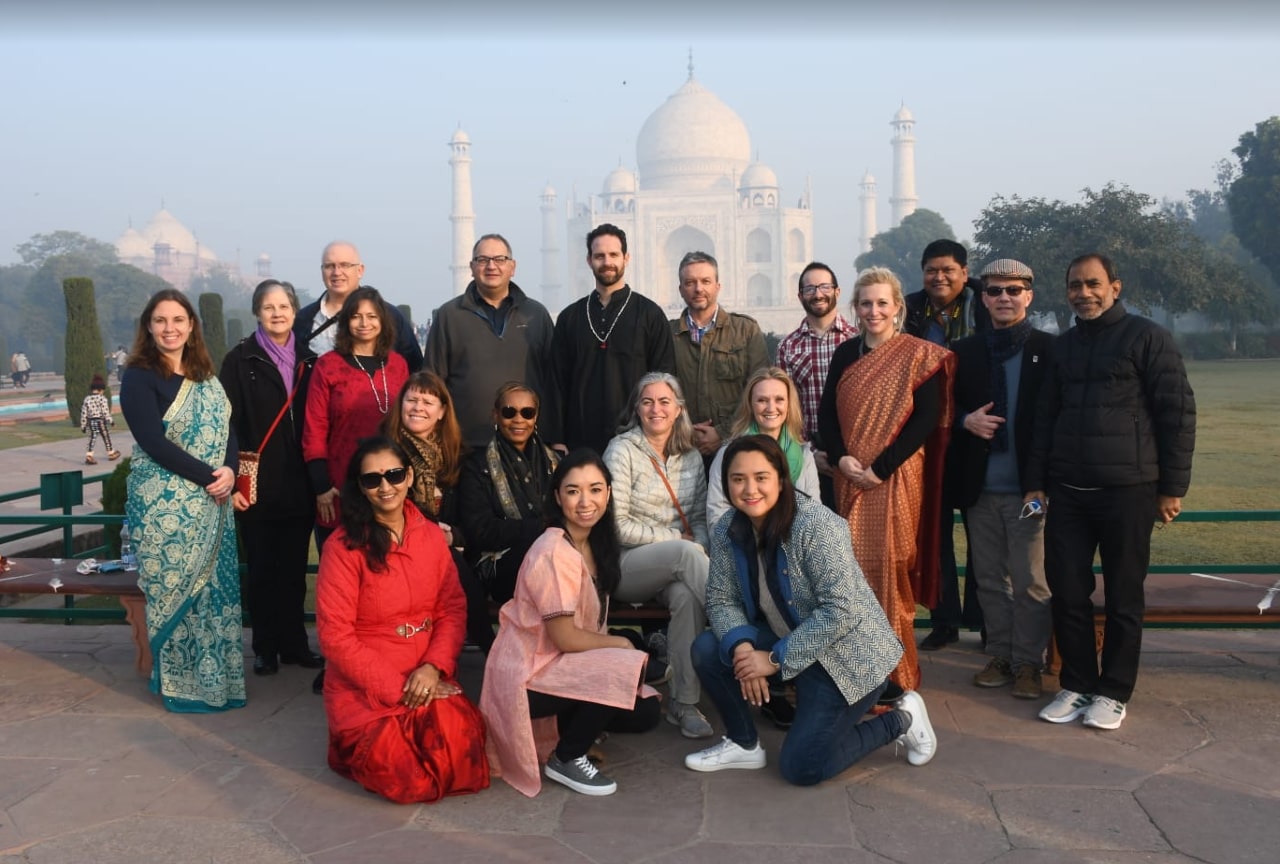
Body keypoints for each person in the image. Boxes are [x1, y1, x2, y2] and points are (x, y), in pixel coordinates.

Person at [684, 435, 938, 782]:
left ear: (780, 478)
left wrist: (772, 661)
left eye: (761, 477)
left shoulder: (816, 525)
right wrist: (744, 651)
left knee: (803, 767)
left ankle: (902, 719)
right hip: (784, 639)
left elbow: (841, 611)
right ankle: (743, 744)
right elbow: (720, 599)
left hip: (845, 656)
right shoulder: (730, 528)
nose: (749, 489)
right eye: (738, 479)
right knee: (709, 648)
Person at [1027, 253, 1195, 731]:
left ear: (1115, 287)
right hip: (1068, 492)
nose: (1085, 293)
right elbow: (1045, 420)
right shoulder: (1064, 348)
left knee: (1123, 595)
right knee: (1068, 591)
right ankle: (1077, 684)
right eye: (1076, 285)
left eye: (1093, 284)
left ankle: (1114, 691)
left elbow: (1177, 415)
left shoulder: (1147, 338)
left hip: (1129, 490)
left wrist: (1171, 488)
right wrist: (1035, 484)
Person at [316, 436, 489, 803]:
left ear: (409, 477)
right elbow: (335, 638)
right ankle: (349, 746)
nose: (385, 487)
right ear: (360, 488)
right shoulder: (343, 547)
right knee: (409, 782)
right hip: (366, 690)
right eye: (372, 479)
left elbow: (452, 608)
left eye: (394, 475)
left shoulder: (429, 535)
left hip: (426, 676)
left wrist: (433, 668)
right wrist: (400, 690)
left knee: (465, 759)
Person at [481, 449, 661, 797]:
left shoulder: (596, 543)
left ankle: (581, 721)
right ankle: (567, 756)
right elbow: (564, 637)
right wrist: (622, 648)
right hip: (528, 674)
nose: (585, 501)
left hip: (560, 665)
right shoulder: (553, 551)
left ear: (608, 493)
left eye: (595, 489)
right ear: (557, 497)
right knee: (623, 666)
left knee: (646, 712)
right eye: (573, 490)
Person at [817, 267, 955, 696]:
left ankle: (897, 676)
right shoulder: (845, 355)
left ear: (898, 307)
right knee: (851, 572)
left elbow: (925, 420)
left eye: (882, 303)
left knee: (891, 567)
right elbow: (826, 414)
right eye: (865, 303)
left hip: (894, 478)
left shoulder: (918, 355)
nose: (873, 311)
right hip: (849, 477)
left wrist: (880, 467)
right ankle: (859, 673)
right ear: (854, 309)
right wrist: (842, 459)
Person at [119, 288, 244, 713]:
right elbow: (152, 441)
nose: (169, 329)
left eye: (177, 320)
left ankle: (218, 682)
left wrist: (230, 471)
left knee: (212, 592)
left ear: (191, 326)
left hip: (213, 499)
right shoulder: (138, 375)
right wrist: (211, 477)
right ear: (148, 327)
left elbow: (227, 429)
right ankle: (182, 684)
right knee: (176, 591)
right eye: (160, 321)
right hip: (165, 507)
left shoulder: (205, 376)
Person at [946, 259, 1053, 699]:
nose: (1004, 298)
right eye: (994, 291)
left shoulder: (1048, 351)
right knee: (990, 579)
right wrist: (964, 420)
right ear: (983, 298)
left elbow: (1055, 420)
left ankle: (1030, 662)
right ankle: (1003, 653)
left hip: (1029, 487)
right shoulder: (967, 353)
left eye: (1013, 290)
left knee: (1030, 580)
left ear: (1029, 295)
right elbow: (940, 411)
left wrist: (1043, 481)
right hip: (981, 486)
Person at [219, 279, 323, 677]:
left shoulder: (309, 360)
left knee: (294, 570)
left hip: (298, 481)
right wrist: (233, 480)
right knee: (262, 569)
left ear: (295, 311)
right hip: (255, 481)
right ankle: (264, 647)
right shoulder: (240, 360)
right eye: (269, 307)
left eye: (284, 306)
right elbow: (227, 424)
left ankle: (294, 643)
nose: (277, 313)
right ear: (257, 313)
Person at [603, 372, 712, 738]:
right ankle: (735, 628)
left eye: (665, 401)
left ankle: (684, 702)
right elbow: (616, 527)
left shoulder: (692, 457)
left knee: (686, 597)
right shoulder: (621, 449)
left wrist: (691, 541)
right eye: (647, 401)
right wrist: (675, 539)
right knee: (685, 552)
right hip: (625, 565)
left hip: (676, 570)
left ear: (679, 408)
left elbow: (699, 521)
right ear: (637, 407)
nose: (656, 409)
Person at [906, 240, 990, 652]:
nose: (939, 277)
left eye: (947, 270)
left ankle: (985, 616)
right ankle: (945, 619)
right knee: (935, 532)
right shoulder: (912, 310)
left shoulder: (984, 304)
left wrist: (970, 416)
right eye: (931, 270)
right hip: (931, 433)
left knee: (983, 532)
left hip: (980, 430)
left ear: (964, 270)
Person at [384, 370, 494, 653]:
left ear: (442, 411)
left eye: (428, 402)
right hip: (397, 545)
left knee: (452, 564)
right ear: (401, 405)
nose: (418, 407)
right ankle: (490, 650)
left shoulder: (458, 457)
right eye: (412, 400)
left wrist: (453, 535)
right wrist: (433, 534)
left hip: (453, 546)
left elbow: (471, 517)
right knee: (450, 567)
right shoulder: (385, 451)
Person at [425, 234, 560, 449]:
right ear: (471, 267)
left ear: (512, 267)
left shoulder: (535, 315)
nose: (491, 266)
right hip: (465, 448)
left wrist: (555, 437)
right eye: (482, 260)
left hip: (528, 446)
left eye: (499, 259)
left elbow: (553, 381)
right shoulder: (450, 316)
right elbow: (433, 383)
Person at [303, 286, 411, 553]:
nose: (365, 323)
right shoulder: (328, 365)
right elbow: (314, 428)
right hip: (340, 484)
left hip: (390, 483)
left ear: (383, 321)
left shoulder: (398, 365)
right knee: (342, 561)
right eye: (357, 316)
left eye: (372, 316)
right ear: (346, 321)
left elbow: (408, 424)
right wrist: (322, 486)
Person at [553, 223, 675, 454]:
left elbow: (666, 380)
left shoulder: (649, 314)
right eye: (599, 256)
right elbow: (558, 383)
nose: (607, 262)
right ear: (589, 260)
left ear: (626, 258)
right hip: (581, 440)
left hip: (639, 440)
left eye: (613, 255)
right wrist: (558, 439)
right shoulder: (571, 317)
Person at [458, 382, 561, 606]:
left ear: (536, 417)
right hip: (499, 563)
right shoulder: (476, 466)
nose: (518, 420)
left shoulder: (556, 463)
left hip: (555, 557)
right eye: (508, 412)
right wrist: (540, 528)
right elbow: (481, 530)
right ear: (495, 415)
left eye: (527, 412)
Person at [669, 251, 768, 460]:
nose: (698, 289)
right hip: (682, 450)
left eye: (705, 281)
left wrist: (722, 433)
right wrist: (686, 431)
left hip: (737, 447)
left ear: (717, 286)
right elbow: (660, 395)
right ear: (680, 289)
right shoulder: (669, 335)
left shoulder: (745, 330)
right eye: (690, 283)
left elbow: (760, 392)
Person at [777, 262, 858, 509]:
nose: (818, 294)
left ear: (837, 291)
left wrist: (842, 455)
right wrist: (809, 454)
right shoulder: (788, 347)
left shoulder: (857, 341)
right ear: (800, 295)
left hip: (855, 457)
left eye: (824, 286)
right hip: (810, 458)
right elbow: (786, 410)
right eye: (810, 288)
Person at [706, 367, 820, 529]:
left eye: (779, 399)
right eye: (762, 400)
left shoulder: (804, 455)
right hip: (744, 546)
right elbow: (717, 515)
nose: (771, 408)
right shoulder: (728, 454)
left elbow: (815, 513)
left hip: (795, 546)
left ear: (789, 405)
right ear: (750, 405)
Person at [294, 240, 423, 371]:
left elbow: (415, 369)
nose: (337, 272)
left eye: (344, 265)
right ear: (322, 271)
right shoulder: (301, 321)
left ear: (360, 270)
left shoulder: (391, 317)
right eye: (329, 266)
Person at [79, 374, 119, 465]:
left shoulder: (87, 399)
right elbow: (105, 412)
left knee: (92, 438)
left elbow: (84, 413)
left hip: (91, 421)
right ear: (101, 389)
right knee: (106, 436)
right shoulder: (102, 399)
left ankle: (89, 455)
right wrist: (111, 421)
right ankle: (111, 453)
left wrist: (83, 425)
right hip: (100, 421)